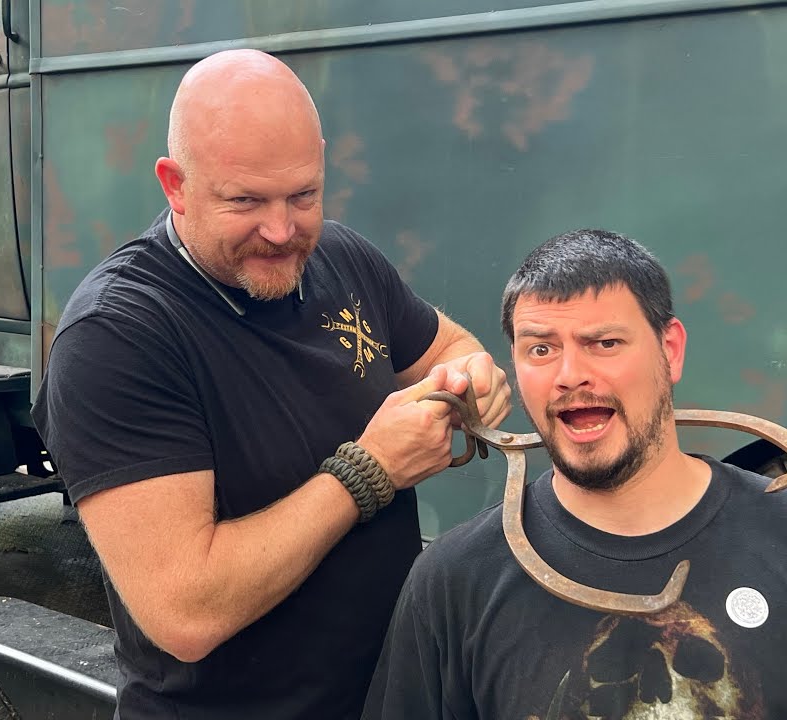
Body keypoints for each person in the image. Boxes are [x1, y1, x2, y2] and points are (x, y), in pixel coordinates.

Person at [32, 49, 510, 719]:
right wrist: (371, 470)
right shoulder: (118, 334)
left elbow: (451, 347)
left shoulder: (341, 256)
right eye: (246, 201)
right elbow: (185, 612)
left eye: (303, 196)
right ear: (175, 185)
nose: (283, 232)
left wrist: (470, 382)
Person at [363, 229, 787, 719]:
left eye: (604, 343)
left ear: (670, 351)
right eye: (541, 348)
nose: (568, 374)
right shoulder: (456, 582)